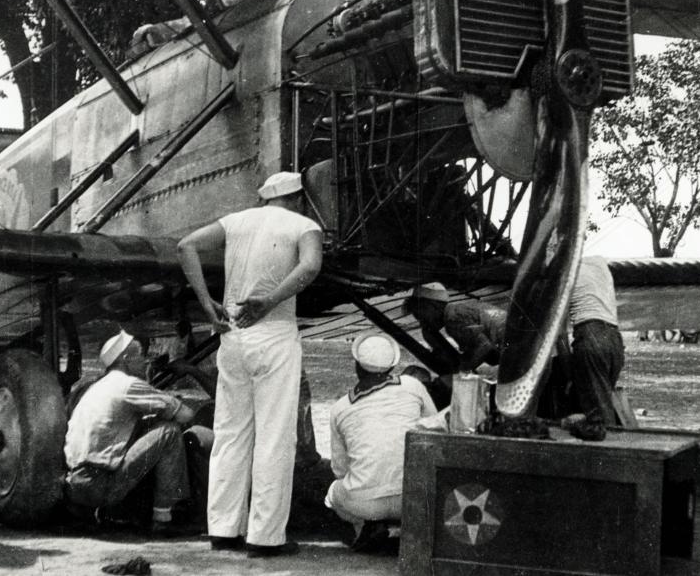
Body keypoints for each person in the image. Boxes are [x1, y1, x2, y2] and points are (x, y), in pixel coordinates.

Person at [177, 171, 323, 558]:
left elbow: (185, 246)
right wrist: (271, 299)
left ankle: (222, 530)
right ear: (297, 197)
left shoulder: (237, 221)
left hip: (232, 337)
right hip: (273, 333)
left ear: (266, 198)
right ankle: (266, 537)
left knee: (230, 432)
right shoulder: (304, 225)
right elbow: (309, 268)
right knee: (274, 437)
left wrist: (208, 305)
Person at [64, 330, 196, 536]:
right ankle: (165, 519)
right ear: (125, 359)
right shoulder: (127, 385)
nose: (145, 362)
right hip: (100, 485)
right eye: (141, 355)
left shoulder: (96, 387)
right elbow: (186, 415)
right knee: (169, 432)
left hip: (76, 486)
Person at [325, 334, 441, 553]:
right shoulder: (413, 386)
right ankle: (405, 528)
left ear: (357, 366)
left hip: (363, 503)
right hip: (413, 496)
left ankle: (367, 526)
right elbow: (434, 431)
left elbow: (339, 469)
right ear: (392, 366)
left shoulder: (340, 407)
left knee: (334, 492)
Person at [564, 256, 625, 429]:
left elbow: (559, 332)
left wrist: (569, 373)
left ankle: (608, 451)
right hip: (614, 339)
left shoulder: (564, 273)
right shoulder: (599, 263)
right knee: (602, 402)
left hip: (591, 336)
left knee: (598, 418)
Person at [402, 283, 507, 372]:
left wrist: (460, 372)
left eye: (420, 316)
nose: (421, 323)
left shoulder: (452, 318)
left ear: (432, 306)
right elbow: (492, 358)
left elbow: (484, 346)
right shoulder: (459, 310)